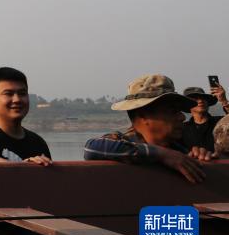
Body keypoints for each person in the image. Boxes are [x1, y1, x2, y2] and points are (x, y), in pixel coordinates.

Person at [83, 74, 213, 183]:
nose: (182, 117)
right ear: (142, 115)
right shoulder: (123, 141)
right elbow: (91, 148)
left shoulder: (179, 150)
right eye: (173, 111)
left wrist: (200, 157)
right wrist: (162, 154)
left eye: (180, 111)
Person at [180, 86, 224, 152]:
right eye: (195, 99)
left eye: (203, 98)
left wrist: (224, 101)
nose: (200, 101)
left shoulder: (221, 123)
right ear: (188, 104)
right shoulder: (181, 129)